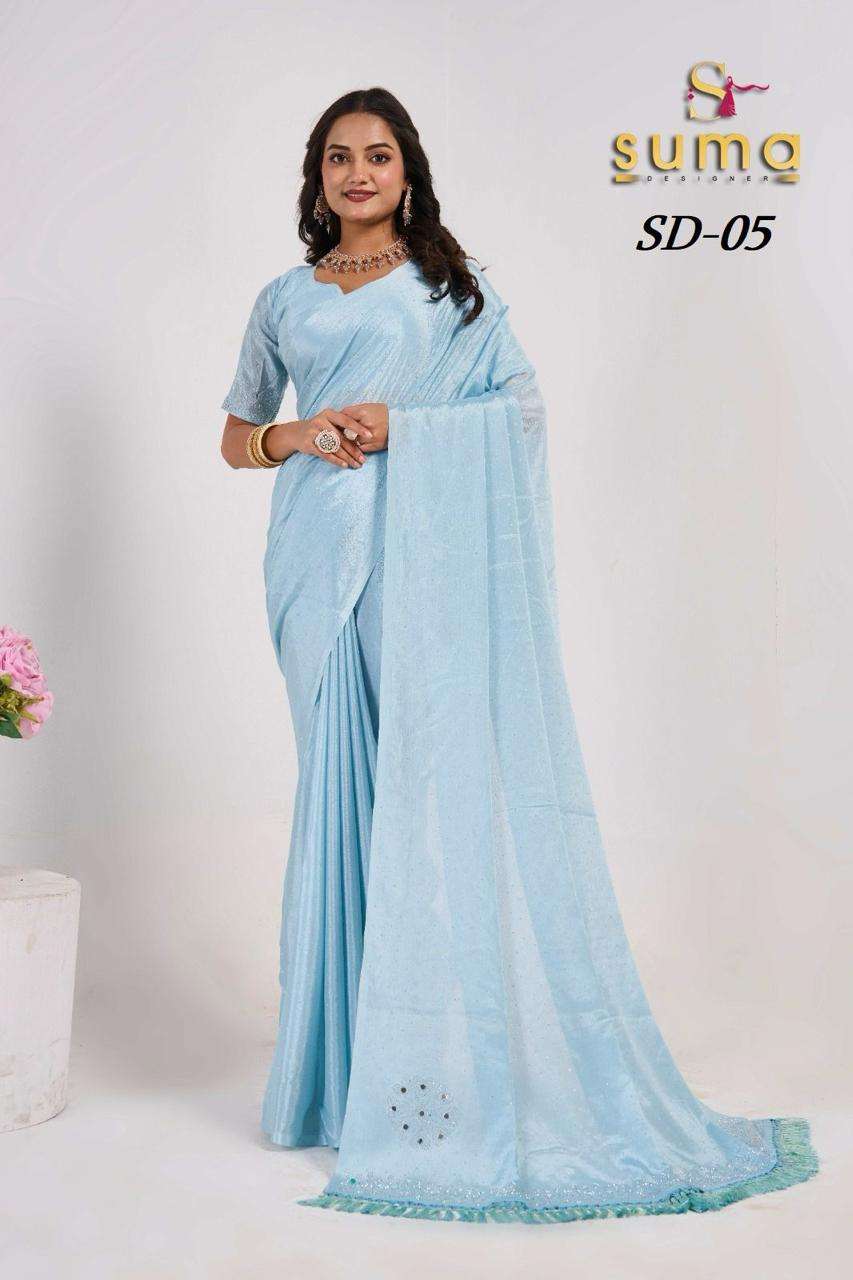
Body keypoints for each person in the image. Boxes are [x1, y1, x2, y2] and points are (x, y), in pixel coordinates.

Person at [219, 87, 819, 1224]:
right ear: (316, 175)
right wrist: (292, 433)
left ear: (407, 171)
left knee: (424, 801)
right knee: (337, 804)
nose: (358, 173)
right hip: (311, 564)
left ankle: (437, 1069)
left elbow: (523, 410)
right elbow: (237, 433)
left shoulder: (452, 289)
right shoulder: (282, 298)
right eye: (339, 157)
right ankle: (336, 1078)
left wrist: (405, 426)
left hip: (421, 564)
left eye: (378, 155)